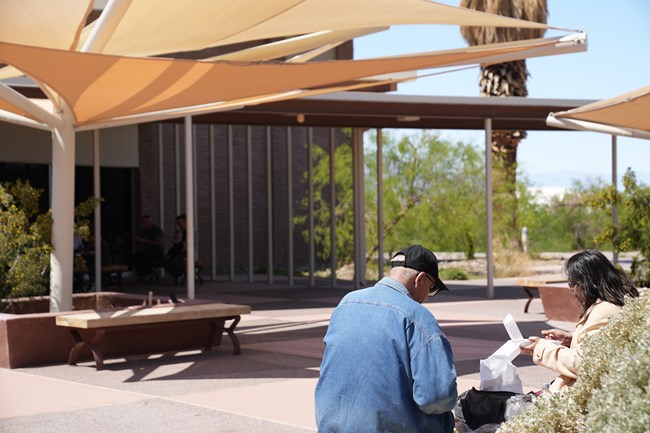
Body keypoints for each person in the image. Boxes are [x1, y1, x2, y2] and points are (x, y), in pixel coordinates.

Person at [315, 245, 458, 433]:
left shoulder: (346, 303)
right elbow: (436, 396)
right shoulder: (418, 318)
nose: (428, 297)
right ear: (420, 279)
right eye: (431, 289)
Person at [521, 250, 638, 393]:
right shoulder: (610, 304)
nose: (571, 289)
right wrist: (571, 338)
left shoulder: (605, 310)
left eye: (572, 283)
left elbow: (584, 362)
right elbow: (600, 345)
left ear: (587, 283)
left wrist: (541, 348)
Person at [132, 214, 165, 279]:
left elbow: (159, 242)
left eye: (147, 222)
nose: (145, 224)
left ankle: (147, 273)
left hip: (156, 251)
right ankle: (145, 273)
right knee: (134, 258)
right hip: (146, 250)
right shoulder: (143, 231)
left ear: (151, 222)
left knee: (145, 259)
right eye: (144, 222)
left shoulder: (157, 230)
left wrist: (145, 241)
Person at [164, 214, 187, 283]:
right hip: (178, 252)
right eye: (178, 223)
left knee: (174, 262)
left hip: (184, 253)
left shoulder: (191, 231)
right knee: (164, 261)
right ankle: (178, 274)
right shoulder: (181, 232)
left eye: (181, 222)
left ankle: (180, 274)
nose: (180, 225)